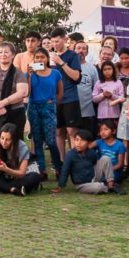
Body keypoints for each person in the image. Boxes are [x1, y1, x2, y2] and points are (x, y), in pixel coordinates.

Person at [25, 47, 63, 178]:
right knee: (37, 140)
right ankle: (42, 170)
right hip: (33, 107)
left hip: (49, 107)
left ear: (47, 58)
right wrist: (29, 75)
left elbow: (60, 92)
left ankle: (58, 168)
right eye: (37, 57)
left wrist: (52, 102)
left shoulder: (55, 73)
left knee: (51, 140)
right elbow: (27, 93)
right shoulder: (30, 73)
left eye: (42, 57)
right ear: (34, 59)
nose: (40, 59)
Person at [0, 123, 42, 195]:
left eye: (7, 140)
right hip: (3, 177)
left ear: (14, 140)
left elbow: (22, 173)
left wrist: (6, 169)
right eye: (2, 138)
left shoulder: (22, 147)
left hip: (18, 177)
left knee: (35, 177)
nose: (3, 142)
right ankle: (12, 189)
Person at [47, 28, 82, 160]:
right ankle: (61, 161)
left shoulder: (73, 56)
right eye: (52, 42)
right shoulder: (50, 56)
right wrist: (33, 68)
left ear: (65, 40)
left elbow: (76, 77)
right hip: (54, 99)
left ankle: (74, 161)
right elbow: (41, 71)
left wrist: (61, 62)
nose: (54, 44)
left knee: (72, 132)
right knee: (58, 132)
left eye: (57, 41)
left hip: (70, 98)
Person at [55, 129, 114, 194]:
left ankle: (110, 185)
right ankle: (103, 186)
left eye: (82, 140)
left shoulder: (91, 152)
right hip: (82, 184)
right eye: (77, 140)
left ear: (88, 143)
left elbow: (96, 163)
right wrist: (60, 186)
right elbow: (65, 170)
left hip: (93, 177)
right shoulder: (70, 155)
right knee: (99, 187)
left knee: (106, 158)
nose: (79, 143)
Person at [92, 61, 125, 129]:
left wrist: (111, 96)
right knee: (103, 132)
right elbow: (94, 99)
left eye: (109, 69)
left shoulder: (118, 82)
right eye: (105, 69)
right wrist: (103, 95)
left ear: (113, 70)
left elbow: (121, 98)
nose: (107, 71)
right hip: (102, 115)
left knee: (114, 132)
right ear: (102, 71)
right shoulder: (98, 83)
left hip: (115, 115)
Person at [95, 120, 127, 186]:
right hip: (102, 170)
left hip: (114, 170)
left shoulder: (120, 145)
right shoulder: (100, 142)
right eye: (101, 130)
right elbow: (87, 146)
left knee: (112, 177)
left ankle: (109, 183)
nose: (103, 132)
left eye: (106, 129)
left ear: (114, 131)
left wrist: (108, 170)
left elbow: (120, 164)